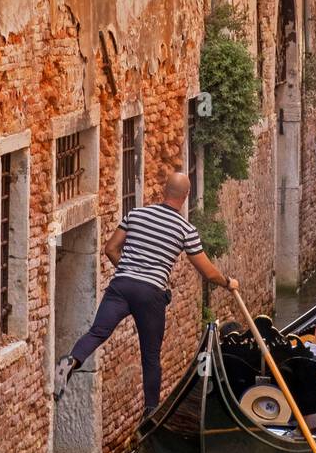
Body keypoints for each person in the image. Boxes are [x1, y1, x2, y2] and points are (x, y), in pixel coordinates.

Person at [53, 172, 238, 419]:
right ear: (186, 196)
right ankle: (151, 412)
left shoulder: (136, 214)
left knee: (97, 332)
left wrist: (129, 271)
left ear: (164, 191)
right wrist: (228, 282)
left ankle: (71, 361)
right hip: (151, 294)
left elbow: (110, 248)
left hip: (122, 284)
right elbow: (207, 271)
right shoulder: (186, 229)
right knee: (150, 355)